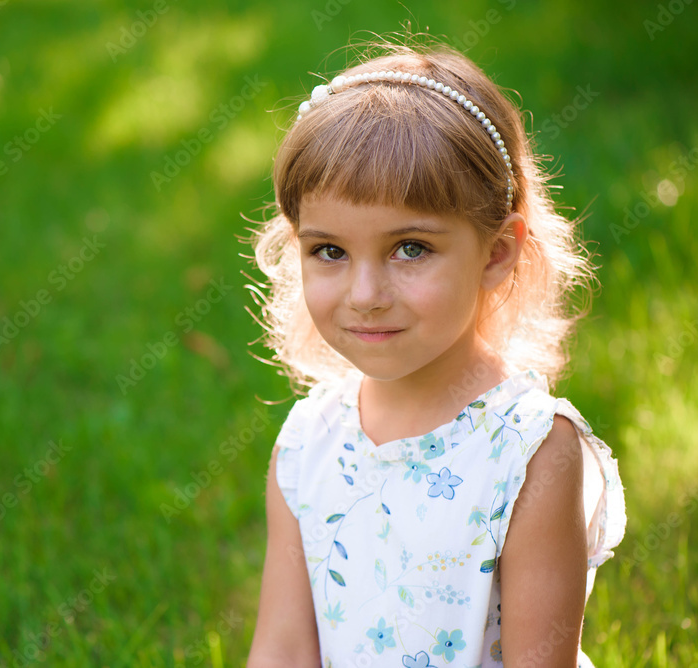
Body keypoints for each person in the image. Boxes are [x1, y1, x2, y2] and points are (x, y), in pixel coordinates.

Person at [245, 37, 626, 668]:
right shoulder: (308, 442)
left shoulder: (530, 450)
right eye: (330, 251)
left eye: (411, 248)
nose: (365, 295)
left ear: (496, 254)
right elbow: (283, 648)